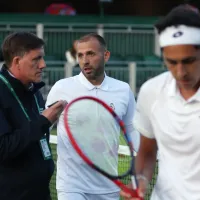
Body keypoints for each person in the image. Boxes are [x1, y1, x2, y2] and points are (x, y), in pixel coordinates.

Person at [46, 33, 140, 200]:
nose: (84, 60)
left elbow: (132, 129)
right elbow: (43, 125)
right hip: (71, 185)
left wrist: (153, 159)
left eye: (90, 54)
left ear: (106, 55)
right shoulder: (62, 88)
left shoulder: (123, 90)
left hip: (108, 186)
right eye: (80, 55)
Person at [121, 4, 200, 200]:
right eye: (172, 62)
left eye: (189, 61)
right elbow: (147, 152)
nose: (180, 72)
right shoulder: (152, 91)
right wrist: (141, 180)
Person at [0, 32, 66, 200]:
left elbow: (31, 131)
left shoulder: (32, 89)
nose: (43, 65)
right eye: (36, 59)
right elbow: (3, 147)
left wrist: (48, 120)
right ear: (17, 62)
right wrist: (43, 121)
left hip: (39, 192)